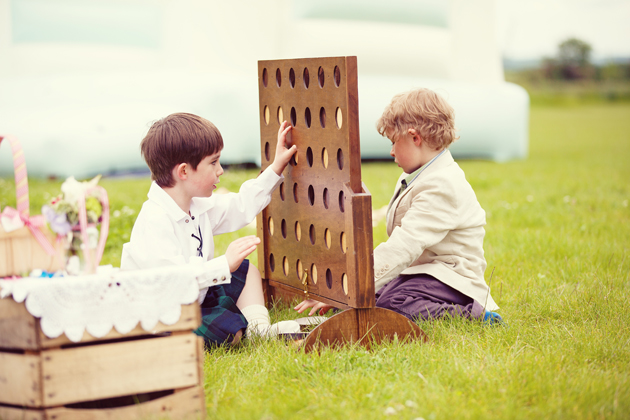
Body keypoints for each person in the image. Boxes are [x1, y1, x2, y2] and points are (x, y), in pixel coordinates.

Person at [295, 88, 503, 324]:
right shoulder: (417, 173)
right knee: (370, 298)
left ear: (415, 138)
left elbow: (404, 245)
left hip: (450, 278)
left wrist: (351, 287)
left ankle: (472, 315)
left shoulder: (442, 184)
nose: (392, 151)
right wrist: (344, 290)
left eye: (394, 142)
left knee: (388, 305)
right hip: (423, 274)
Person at [122, 113, 299, 347]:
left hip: (196, 296)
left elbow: (240, 206)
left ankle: (259, 330)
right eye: (213, 162)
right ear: (184, 172)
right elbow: (173, 284)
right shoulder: (155, 220)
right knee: (229, 332)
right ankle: (239, 331)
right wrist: (223, 264)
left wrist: (276, 167)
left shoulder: (196, 204)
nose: (220, 170)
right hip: (164, 315)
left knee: (246, 271)